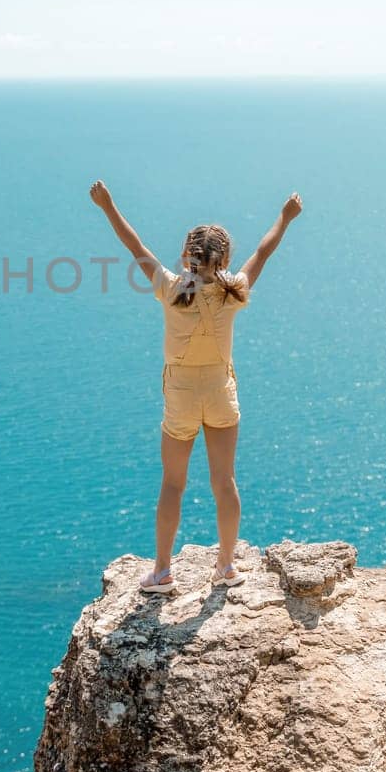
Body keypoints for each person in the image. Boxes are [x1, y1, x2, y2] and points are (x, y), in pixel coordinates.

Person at [89, 180, 303, 593]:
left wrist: (108, 205)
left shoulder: (170, 288)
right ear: (223, 258)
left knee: (173, 483)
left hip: (181, 398)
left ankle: (163, 572)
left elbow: (134, 245)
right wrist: (286, 216)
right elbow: (264, 251)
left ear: (188, 255)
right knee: (225, 482)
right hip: (221, 394)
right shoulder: (233, 291)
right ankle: (226, 566)